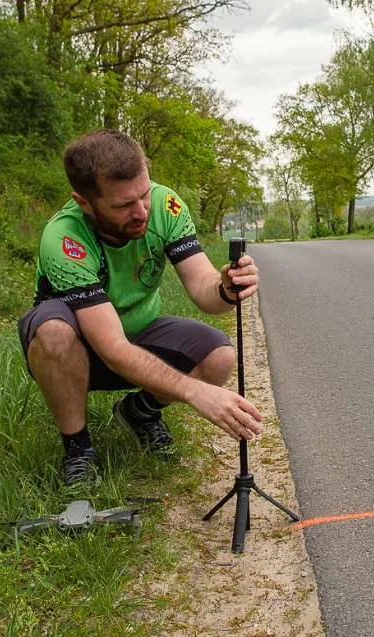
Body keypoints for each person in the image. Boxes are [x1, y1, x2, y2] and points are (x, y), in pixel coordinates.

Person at [17, 129, 263, 485]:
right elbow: (113, 349)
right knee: (54, 333)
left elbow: (203, 288)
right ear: (85, 202)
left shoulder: (166, 205)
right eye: (122, 206)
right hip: (80, 345)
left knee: (219, 357)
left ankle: (139, 414)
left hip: (137, 331)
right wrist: (195, 392)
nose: (141, 212)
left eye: (144, 195)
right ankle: (78, 450)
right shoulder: (64, 237)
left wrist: (226, 288)